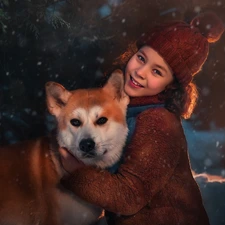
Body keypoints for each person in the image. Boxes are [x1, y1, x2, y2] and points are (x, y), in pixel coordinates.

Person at [59, 12, 224, 225]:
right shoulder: (125, 108)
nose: (140, 72)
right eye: (141, 58)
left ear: (170, 85)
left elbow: (129, 196)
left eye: (156, 71)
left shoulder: (158, 123)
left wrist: (76, 172)